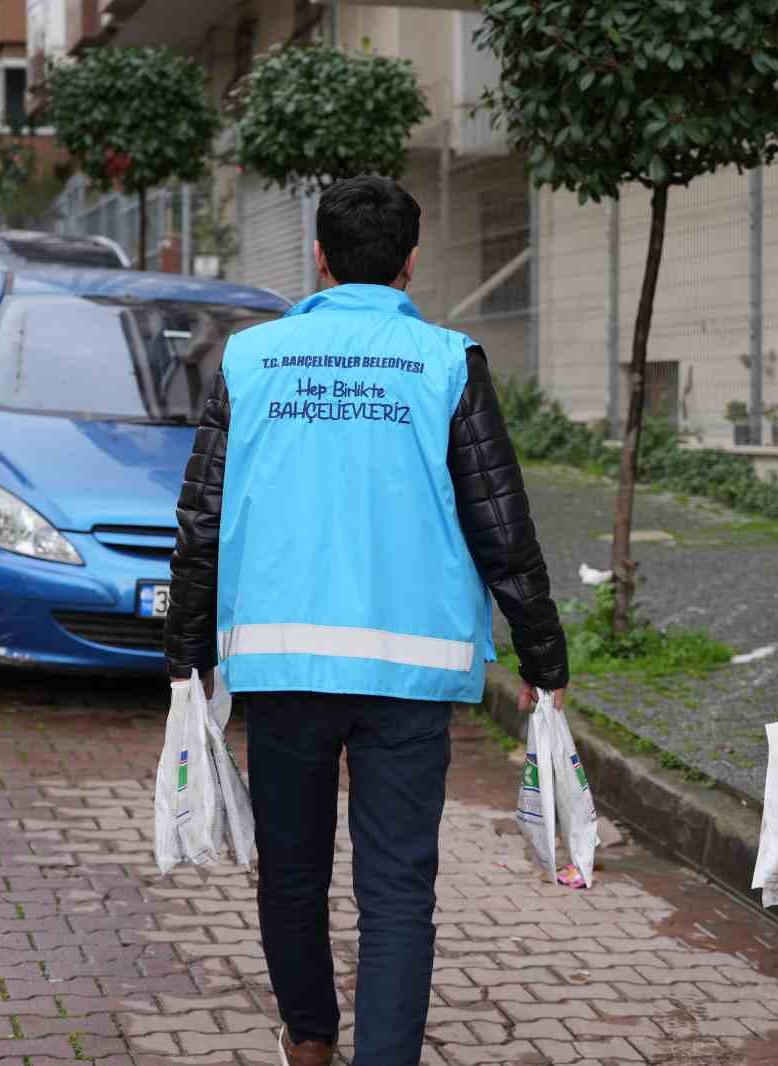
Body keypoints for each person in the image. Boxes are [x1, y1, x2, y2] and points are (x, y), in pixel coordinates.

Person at [164, 175, 569, 1066]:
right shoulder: (447, 362)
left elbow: (201, 517)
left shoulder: (250, 360)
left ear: (319, 257)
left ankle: (309, 1040)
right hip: (407, 673)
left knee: (292, 872)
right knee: (397, 889)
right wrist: (544, 656)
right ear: (409, 263)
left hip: (285, 665)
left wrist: (187, 655)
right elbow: (502, 525)